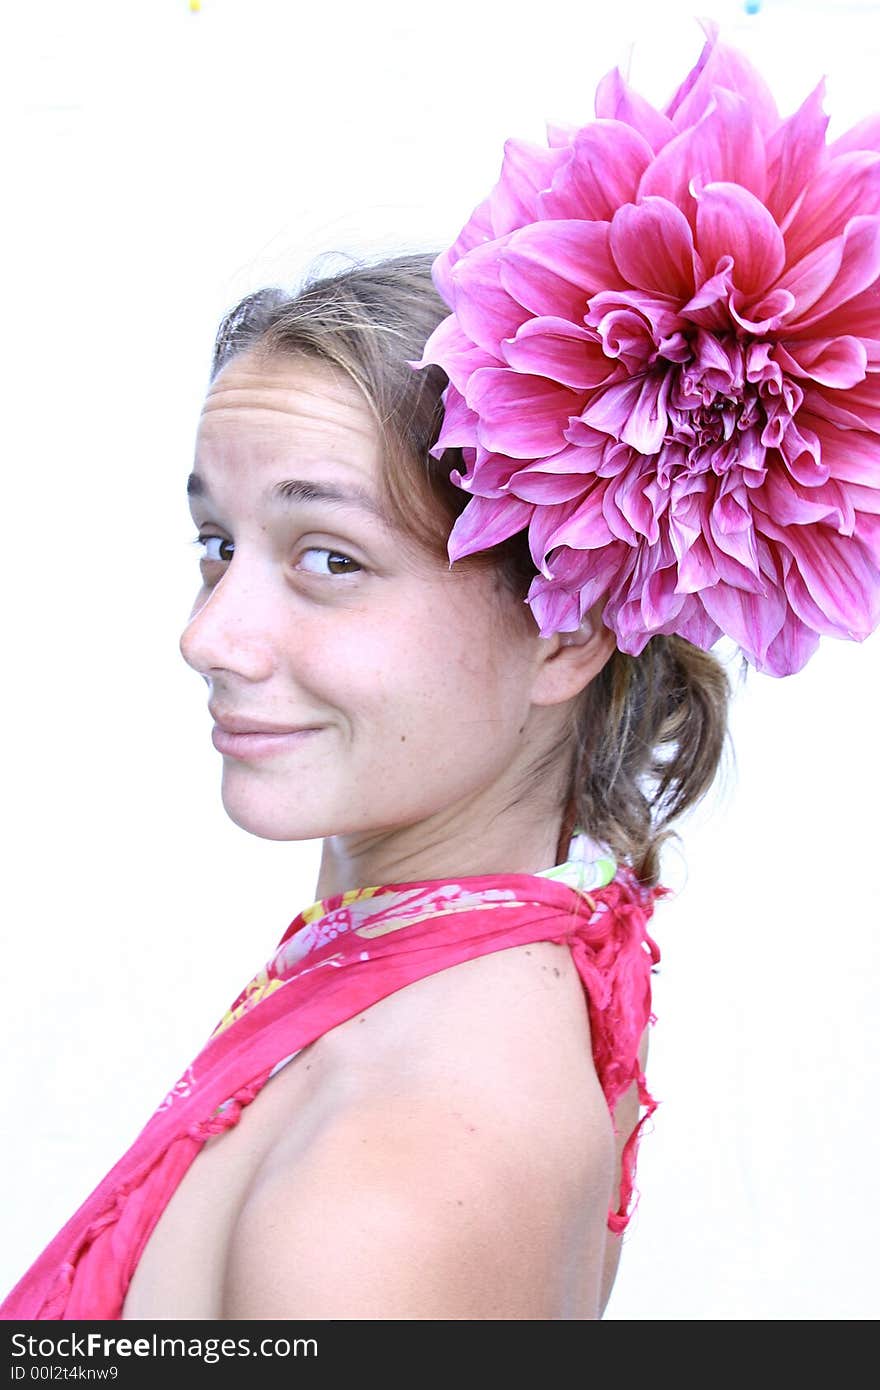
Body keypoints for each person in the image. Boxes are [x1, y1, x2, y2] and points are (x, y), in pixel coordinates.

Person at [4, 24, 880, 1321]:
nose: (209, 633)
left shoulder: (382, 1188)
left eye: (330, 558)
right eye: (216, 542)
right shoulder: (535, 940)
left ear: (571, 630)